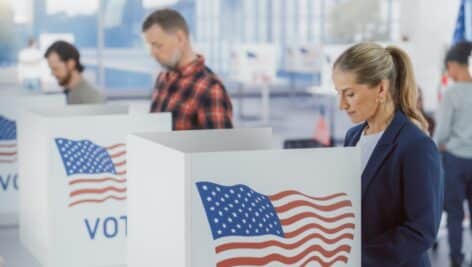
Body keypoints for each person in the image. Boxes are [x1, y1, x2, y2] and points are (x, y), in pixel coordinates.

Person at [334, 42, 443, 267]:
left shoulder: (416, 146)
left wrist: (358, 258)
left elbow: (420, 231)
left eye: (350, 94)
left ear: (381, 90)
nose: (341, 104)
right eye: (339, 93)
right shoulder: (353, 137)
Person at [142, 9, 233, 130]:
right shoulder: (163, 78)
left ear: (180, 38)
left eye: (157, 45)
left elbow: (221, 147)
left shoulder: (210, 88)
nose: (152, 53)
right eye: (150, 46)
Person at [433, 41, 472, 267]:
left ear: (452, 65)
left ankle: (456, 258)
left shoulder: (452, 93)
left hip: (455, 160)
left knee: (455, 213)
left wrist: (440, 144)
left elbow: (442, 133)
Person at [44, 41, 105, 105]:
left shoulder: (93, 98)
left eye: (55, 69)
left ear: (71, 64)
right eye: (51, 69)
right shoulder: (70, 93)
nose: (52, 74)